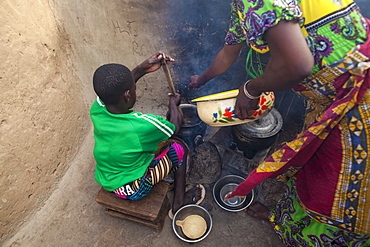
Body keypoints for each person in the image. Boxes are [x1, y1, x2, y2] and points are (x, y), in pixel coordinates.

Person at [189, 0, 370, 245]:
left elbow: (300, 65)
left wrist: (250, 89)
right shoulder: (242, 6)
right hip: (331, 100)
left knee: (337, 187)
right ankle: (285, 222)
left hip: (359, 102)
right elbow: (227, 53)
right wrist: (202, 79)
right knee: (310, 165)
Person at [90, 52, 205, 217]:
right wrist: (173, 104)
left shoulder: (98, 108)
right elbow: (174, 127)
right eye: (134, 89)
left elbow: (118, 89)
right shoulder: (141, 125)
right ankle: (179, 204)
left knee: (150, 145)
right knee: (179, 149)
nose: (134, 90)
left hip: (107, 177)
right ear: (128, 94)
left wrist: (141, 69)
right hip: (133, 188)